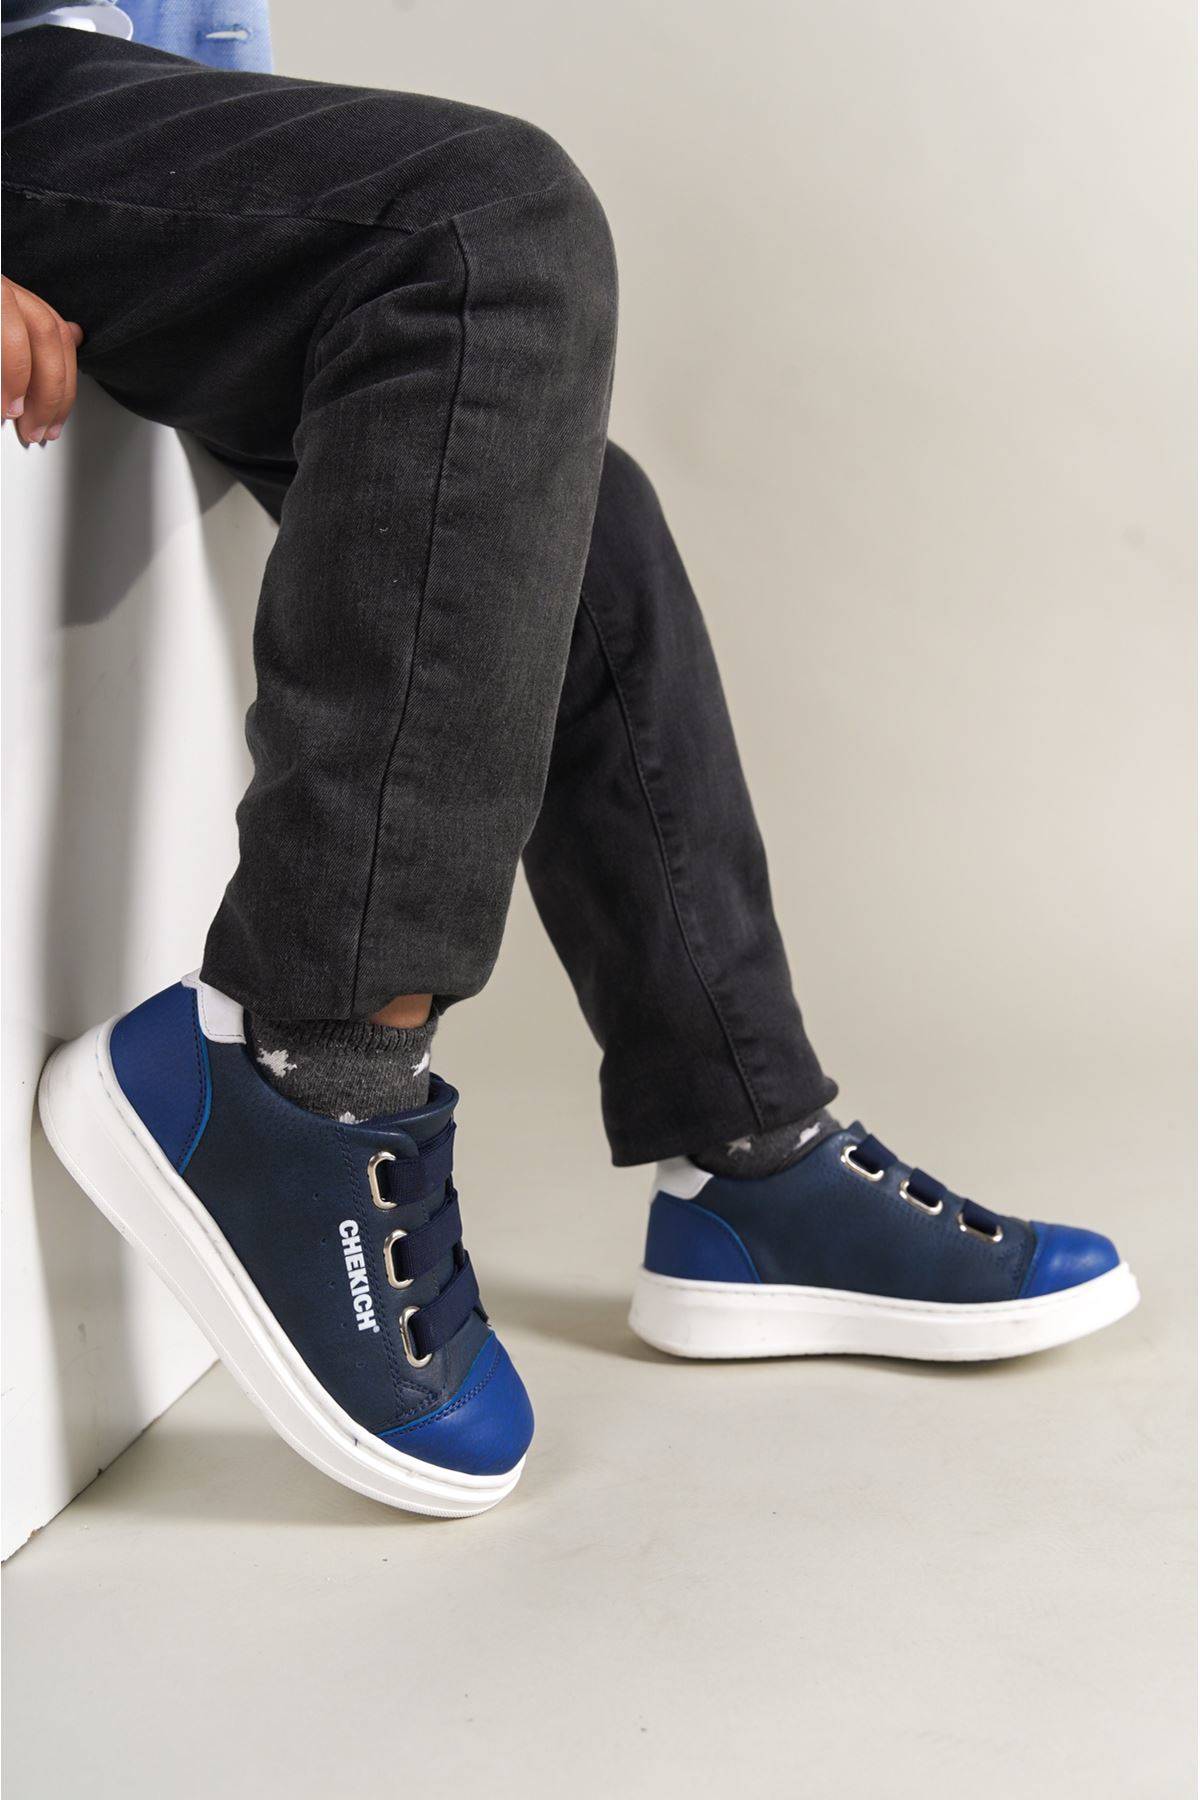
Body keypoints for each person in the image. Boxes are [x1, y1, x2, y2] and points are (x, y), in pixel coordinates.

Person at [3, 0, 1139, 1518]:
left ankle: (746, 1151)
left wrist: (243, 188)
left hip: (94, 97)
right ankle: (305, 1071)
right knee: (487, 229)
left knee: (564, 491)